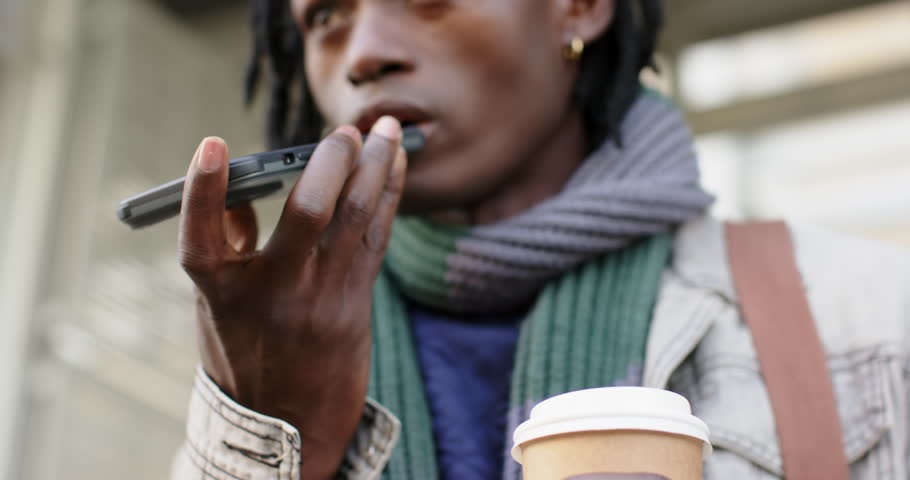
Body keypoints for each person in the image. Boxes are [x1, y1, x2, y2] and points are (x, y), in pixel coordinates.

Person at [169, 0, 910, 479]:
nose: (364, 54)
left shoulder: (871, 314)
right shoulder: (269, 352)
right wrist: (276, 437)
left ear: (579, 7)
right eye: (326, 14)